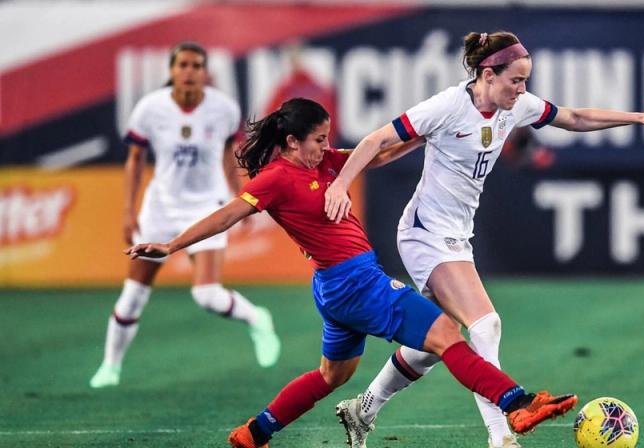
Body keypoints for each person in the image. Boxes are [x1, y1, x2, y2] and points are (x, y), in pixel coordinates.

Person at [123, 97, 579, 448]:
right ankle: (517, 404)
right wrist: (172, 245)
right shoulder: (276, 179)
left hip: (334, 287)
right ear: (291, 142)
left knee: (331, 376)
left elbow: (375, 156)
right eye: (318, 139)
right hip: (355, 283)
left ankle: (254, 433)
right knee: (447, 335)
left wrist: (426, 134)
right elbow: (227, 216)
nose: (326, 146)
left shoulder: (323, 162)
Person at [323, 31, 644, 448]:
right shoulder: (448, 106)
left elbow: (575, 118)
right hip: (425, 234)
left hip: (457, 236)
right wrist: (340, 185)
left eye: (525, 80)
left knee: (436, 342)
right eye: (516, 80)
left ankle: (363, 409)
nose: (522, 89)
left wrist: (639, 117)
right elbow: (377, 140)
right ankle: (501, 437)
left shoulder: (515, 106)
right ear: (487, 74)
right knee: (486, 325)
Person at [89, 42, 281, 389]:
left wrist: (239, 197)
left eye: (196, 65)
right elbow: (135, 160)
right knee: (133, 295)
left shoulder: (223, 108)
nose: (189, 71)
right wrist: (129, 211)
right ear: (172, 70)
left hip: (206, 205)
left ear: (205, 72)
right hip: (160, 208)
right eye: (183, 65)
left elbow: (229, 155)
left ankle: (257, 318)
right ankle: (110, 366)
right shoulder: (150, 108)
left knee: (206, 295)